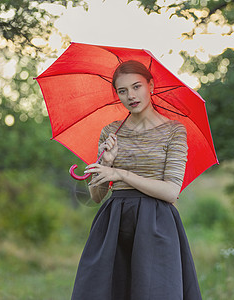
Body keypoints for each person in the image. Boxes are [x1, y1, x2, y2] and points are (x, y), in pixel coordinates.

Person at [71, 60, 202, 300]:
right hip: (114, 223)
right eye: (122, 91)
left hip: (156, 224)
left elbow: (172, 192)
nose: (130, 96)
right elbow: (96, 196)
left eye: (136, 87)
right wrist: (107, 162)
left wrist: (121, 174)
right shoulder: (112, 132)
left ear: (150, 86)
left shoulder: (174, 131)